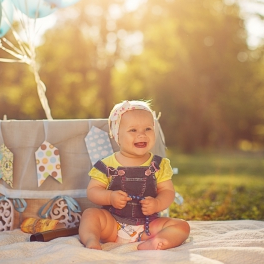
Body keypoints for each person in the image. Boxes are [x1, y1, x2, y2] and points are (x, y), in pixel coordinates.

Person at [79, 100, 190, 250]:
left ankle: (157, 241)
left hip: (147, 226)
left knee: (182, 226)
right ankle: (92, 240)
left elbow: (168, 191)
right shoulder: (106, 164)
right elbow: (92, 191)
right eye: (133, 130)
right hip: (113, 225)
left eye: (148, 129)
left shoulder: (159, 165)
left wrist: (157, 204)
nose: (142, 135)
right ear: (117, 135)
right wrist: (110, 197)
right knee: (90, 214)